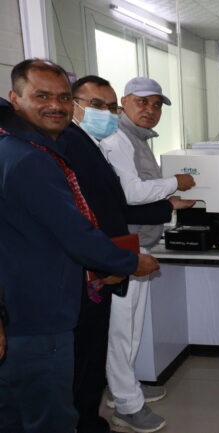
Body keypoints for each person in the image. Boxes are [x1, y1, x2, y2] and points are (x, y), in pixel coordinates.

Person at [0, 59, 160, 433]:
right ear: (15, 98)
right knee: (51, 416)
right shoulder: (30, 159)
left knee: (18, 414)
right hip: (40, 311)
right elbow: (74, 232)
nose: (55, 106)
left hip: (24, 304)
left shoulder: (23, 148)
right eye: (42, 96)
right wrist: (128, 262)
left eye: (62, 98)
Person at [67, 74, 194, 433]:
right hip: (122, 250)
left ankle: (124, 389)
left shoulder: (128, 139)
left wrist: (167, 206)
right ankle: (126, 402)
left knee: (129, 329)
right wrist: (174, 186)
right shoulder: (113, 139)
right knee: (122, 332)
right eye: (142, 102)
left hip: (132, 246)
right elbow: (129, 196)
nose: (150, 110)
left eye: (156, 105)